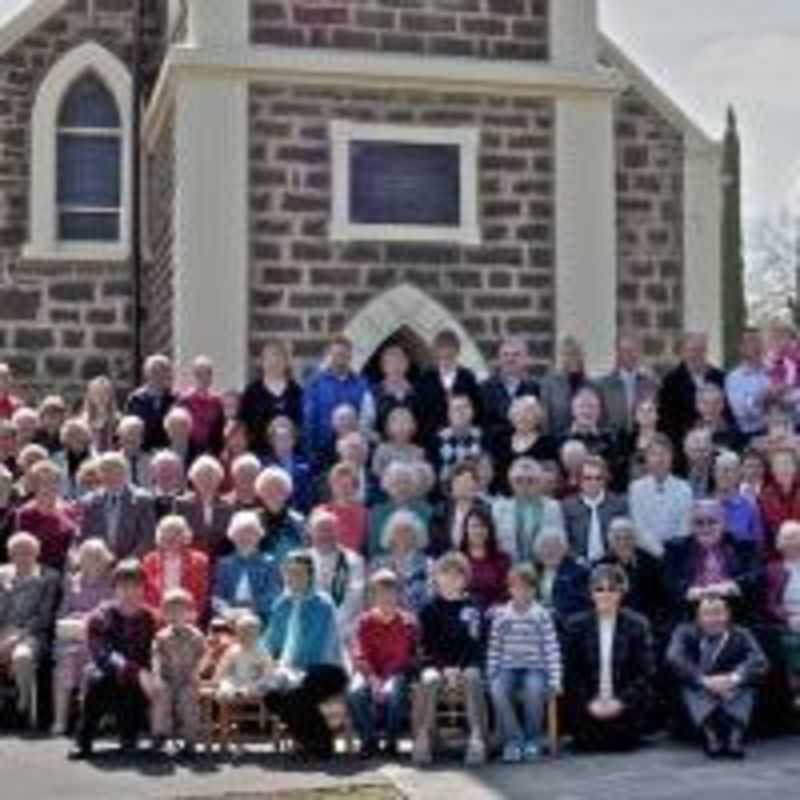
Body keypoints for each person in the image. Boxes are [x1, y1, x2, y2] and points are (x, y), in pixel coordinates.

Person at [263, 550, 349, 761]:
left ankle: (319, 746)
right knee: (271, 696)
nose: (293, 578)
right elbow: (270, 641)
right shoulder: (281, 604)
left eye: (299, 573)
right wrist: (266, 663)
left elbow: (317, 645)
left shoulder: (323, 604)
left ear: (310, 575)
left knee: (298, 693)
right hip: (290, 670)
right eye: (289, 573)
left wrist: (291, 672)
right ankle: (311, 743)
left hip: (327, 668)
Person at [70, 559, 159, 760]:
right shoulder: (99, 617)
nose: (130, 592)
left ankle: (130, 738)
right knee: (96, 679)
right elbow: (103, 654)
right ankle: (83, 740)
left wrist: (154, 673)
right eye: (124, 587)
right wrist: (136, 672)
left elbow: (157, 651)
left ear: (144, 589)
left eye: (136, 586)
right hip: (109, 672)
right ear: (115, 589)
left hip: (142, 676)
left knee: (143, 683)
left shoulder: (151, 618)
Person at [563, 564, 655, 752]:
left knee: (621, 742)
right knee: (589, 741)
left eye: (612, 589)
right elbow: (571, 674)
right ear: (591, 593)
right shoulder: (575, 625)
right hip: (587, 708)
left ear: (622, 592)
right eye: (599, 589)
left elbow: (644, 672)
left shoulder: (638, 625)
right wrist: (590, 702)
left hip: (624, 708)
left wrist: (620, 702)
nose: (605, 594)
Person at [667, 593, 768, 759]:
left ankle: (736, 735)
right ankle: (710, 734)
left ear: (728, 615)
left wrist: (734, 678)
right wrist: (704, 681)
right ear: (698, 617)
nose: (713, 619)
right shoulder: (684, 632)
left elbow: (759, 660)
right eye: (707, 614)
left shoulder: (741, 634)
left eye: (718, 613)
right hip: (700, 691)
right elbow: (675, 658)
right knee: (689, 685)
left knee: (747, 684)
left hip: (732, 692)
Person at [414, 553, 489, 767]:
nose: (450, 578)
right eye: (445, 573)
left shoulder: (473, 607)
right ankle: (424, 737)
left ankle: (477, 738)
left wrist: (459, 667)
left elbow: (474, 643)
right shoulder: (429, 608)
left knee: (473, 676)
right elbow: (426, 646)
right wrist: (444, 668)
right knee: (429, 679)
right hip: (436, 664)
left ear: (465, 579)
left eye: (457, 574)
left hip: (467, 664)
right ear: (436, 577)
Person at [487, 563, 562, 763]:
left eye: (527, 587)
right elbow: (495, 647)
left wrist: (555, 679)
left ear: (534, 590)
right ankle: (514, 740)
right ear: (510, 589)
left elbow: (551, 648)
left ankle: (532, 740)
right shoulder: (502, 616)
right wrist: (491, 672)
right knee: (497, 689)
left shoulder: (541, 615)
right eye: (516, 587)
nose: (522, 592)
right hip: (507, 667)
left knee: (534, 689)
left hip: (535, 667)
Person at [348, 569, 418, 759]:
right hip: (368, 672)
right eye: (380, 592)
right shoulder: (364, 621)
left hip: (395, 673)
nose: (386, 596)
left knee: (394, 693)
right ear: (373, 595)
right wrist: (372, 678)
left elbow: (404, 657)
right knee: (354, 693)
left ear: (398, 594)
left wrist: (385, 679)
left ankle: (391, 741)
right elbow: (359, 653)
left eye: (390, 591)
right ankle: (368, 740)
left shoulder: (408, 622)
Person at [52, 538, 114, 735]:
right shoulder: (72, 582)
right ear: (81, 559)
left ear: (105, 559)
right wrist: (72, 619)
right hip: (71, 637)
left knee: (92, 662)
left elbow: (111, 614)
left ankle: (89, 721)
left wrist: (87, 618)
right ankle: (60, 720)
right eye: (87, 556)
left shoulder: (111, 583)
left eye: (97, 557)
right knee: (66, 662)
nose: (92, 561)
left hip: (99, 639)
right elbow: (62, 612)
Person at [662, 500, 761, 622]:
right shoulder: (675, 548)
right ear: (690, 525)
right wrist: (688, 590)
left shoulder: (743, 545)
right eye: (699, 523)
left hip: (734, 612)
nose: (706, 528)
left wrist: (732, 586)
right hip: (690, 613)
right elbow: (669, 579)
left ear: (724, 523)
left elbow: (755, 574)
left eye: (712, 522)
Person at [0, 532, 59, 725]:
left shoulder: (48, 578)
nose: (23, 557)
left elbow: (44, 617)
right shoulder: (1, 575)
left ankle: (22, 706)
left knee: (22, 657)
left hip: (31, 634)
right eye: (17, 553)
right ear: (10, 555)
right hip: (3, 631)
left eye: (28, 552)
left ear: (37, 553)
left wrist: (16, 637)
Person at [303, 337, 375, 471]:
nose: (341, 358)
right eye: (337, 354)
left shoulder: (362, 384)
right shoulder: (315, 383)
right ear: (329, 355)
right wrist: (311, 452)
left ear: (350, 356)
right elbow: (309, 420)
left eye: (345, 354)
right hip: (323, 452)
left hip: (352, 452)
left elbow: (367, 418)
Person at [151, 588, 206, 757]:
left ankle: (190, 740)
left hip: (188, 678)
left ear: (189, 613)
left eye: (180, 610)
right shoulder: (161, 636)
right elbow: (156, 657)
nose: (175, 615)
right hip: (167, 678)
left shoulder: (196, 636)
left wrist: (197, 672)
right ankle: (161, 736)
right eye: (170, 611)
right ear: (164, 614)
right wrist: (158, 676)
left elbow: (203, 656)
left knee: (188, 701)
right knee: (162, 699)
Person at [79, 452, 156, 560]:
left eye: (115, 470)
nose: (110, 475)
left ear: (125, 472)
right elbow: (84, 536)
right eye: (105, 470)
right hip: (99, 563)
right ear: (99, 474)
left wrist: (128, 561)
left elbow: (147, 539)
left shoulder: (142, 500)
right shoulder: (89, 502)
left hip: (132, 564)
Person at [211, 511, 283, 626]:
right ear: (233, 537)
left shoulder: (269, 562)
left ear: (259, 536)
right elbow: (217, 595)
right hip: (230, 619)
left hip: (260, 619)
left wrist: (249, 610)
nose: (245, 537)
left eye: (250, 532)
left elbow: (273, 595)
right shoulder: (224, 563)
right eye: (240, 533)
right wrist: (227, 612)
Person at [658, 332, 726, 452]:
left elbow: (726, 412)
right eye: (692, 350)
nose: (696, 355)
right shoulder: (671, 381)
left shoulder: (719, 377)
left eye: (701, 350)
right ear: (683, 352)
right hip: (683, 446)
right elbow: (666, 419)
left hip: (718, 443)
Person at [416, 329, 482, 450]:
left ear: (457, 353)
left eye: (449, 357)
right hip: (433, 436)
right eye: (441, 357)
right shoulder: (426, 378)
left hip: (462, 436)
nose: (445, 361)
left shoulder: (467, 376)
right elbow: (421, 410)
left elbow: (476, 406)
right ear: (435, 354)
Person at [628, 435, 693, 557]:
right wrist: (660, 552)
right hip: (645, 553)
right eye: (654, 454)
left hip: (677, 552)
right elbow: (639, 526)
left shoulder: (684, 489)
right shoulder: (636, 489)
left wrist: (671, 551)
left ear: (671, 457)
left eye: (664, 454)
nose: (659, 459)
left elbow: (684, 527)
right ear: (647, 459)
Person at [307, 508, 365, 644]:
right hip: (309, 628)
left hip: (344, 630)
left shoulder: (353, 561)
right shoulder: (301, 560)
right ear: (311, 532)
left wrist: (333, 627)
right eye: (320, 529)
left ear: (338, 531)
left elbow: (354, 598)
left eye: (330, 529)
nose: (325, 534)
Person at [492, 457, 565, 563]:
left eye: (530, 480)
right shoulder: (499, 508)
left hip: (543, 566)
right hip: (509, 569)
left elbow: (561, 541)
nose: (524, 485)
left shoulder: (552, 507)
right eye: (519, 480)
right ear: (511, 482)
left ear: (539, 482)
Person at [595, 518, 666, 626]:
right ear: (610, 542)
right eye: (617, 539)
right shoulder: (600, 565)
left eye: (628, 538)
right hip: (616, 622)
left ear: (635, 540)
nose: (623, 543)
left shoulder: (650, 562)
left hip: (649, 621)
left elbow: (662, 598)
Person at [239, 339, 303, 457]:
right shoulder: (251, 392)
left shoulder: (297, 391)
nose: (274, 361)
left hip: (291, 457)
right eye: (269, 357)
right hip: (259, 455)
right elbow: (244, 426)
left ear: (286, 362)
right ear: (261, 362)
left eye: (279, 357)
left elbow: (303, 425)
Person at [14, 459, 78, 573]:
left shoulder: (70, 509)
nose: (48, 485)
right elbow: (23, 549)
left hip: (66, 572)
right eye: (42, 481)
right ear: (35, 485)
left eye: (52, 480)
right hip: (38, 574)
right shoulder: (25, 513)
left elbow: (75, 542)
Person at [562, 456, 629, 563]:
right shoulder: (567, 506)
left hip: (612, 562)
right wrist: (577, 559)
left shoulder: (618, 504)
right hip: (578, 562)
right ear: (579, 480)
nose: (593, 482)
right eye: (588, 478)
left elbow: (624, 539)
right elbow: (564, 540)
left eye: (598, 478)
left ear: (605, 480)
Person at [142, 515, 210, 617]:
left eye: (176, 533)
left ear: (185, 536)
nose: (170, 537)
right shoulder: (149, 560)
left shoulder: (199, 560)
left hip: (188, 616)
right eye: (166, 532)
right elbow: (145, 593)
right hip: (157, 616)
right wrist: (155, 613)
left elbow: (202, 595)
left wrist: (190, 615)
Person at [491, 395, 558, 495]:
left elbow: (550, 475)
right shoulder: (500, 440)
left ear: (537, 417)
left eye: (528, 412)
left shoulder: (548, 443)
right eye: (519, 412)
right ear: (512, 416)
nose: (523, 417)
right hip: (504, 496)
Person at [765, 521, 800, 707]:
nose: (793, 541)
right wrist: (789, 618)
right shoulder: (772, 570)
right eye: (788, 537)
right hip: (788, 622)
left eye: (796, 536)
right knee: (790, 642)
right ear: (779, 543)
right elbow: (770, 603)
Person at [370, 510, 431, 615]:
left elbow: (430, 599)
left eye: (407, 530)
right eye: (397, 531)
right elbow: (371, 597)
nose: (402, 535)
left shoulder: (429, 564)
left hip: (417, 622)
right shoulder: (377, 563)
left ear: (417, 535)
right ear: (390, 535)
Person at [175, 454, 233, 564]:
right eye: (201, 476)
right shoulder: (181, 504)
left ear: (219, 479)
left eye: (211, 476)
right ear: (194, 479)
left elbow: (228, 539)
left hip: (219, 559)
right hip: (190, 560)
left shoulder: (227, 506)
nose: (206, 480)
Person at [480, 337, 540, 444]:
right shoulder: (484, 388)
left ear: (526, 359)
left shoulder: (535, 388)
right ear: (499, 359)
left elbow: (538, 424)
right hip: (494, 448)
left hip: (526, 447)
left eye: (516, 354)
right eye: (505, 354)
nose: (510, 359)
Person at [368, 461, 433, 558]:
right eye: (396, 483)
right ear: (387, 486)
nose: (402, 487)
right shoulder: (378, 512)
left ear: (414, 485)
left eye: (406, 482)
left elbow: (429, 547)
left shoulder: (426, 511)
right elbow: (373, 548)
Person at [598, 335, 659, 435]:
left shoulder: (650, 384)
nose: (631, 355)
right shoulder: (605, 385)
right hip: (615, 440)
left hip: (642, 439)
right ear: (618, 354)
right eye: (626, 351)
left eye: (635, 350)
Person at [533, 529, 591, 624]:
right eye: (545, 546)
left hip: (566, 626)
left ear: (564, 550)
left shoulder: (578, 572)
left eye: (555, 547)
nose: (550, 551)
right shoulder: (531, 571)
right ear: (538, 551)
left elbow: (582, 605)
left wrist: (555, 613)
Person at [459, 505, 511, 613]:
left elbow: (508, 591)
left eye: (483, 526)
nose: (478, 531)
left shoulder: (503, 559)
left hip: (496, 614)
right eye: (474, 526)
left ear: (489, 530)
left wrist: (497, 608)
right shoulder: (457, 558)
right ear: (466, 529)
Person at [725, 327, 772, 441]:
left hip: (780, 432)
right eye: (751, 341)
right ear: (741, 348)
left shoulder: (776, 371)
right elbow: (741, 412)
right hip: (751, 434)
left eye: (760, 341)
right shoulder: (734, 378)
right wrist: (763, 397)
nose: (756, 345)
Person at [214, 611, 274, 701]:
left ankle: (242, 693)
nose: (244, 635)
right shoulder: (233, 650)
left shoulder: (262, 652)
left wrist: (260, 680)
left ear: (257, 634)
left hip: (253, 682)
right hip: (236, 681)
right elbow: (223, 668)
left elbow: (267, 674)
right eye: (241, 632)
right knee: (226, 686)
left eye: (248, 632)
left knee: (259, 686)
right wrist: (218, 678)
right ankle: (232, 694)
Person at [539, 336, 592, 438]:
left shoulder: (592, 385)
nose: (572, 358)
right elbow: (545, 419)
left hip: (586, 441)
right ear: (561, 356)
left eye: (576, 353)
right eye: (568, 354)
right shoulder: (549, 383)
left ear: (583, 355)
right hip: (557, 440)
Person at [176, 355, 226, 457]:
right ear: (193, 376)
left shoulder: (217, 402)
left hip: (212, 452)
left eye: (207, 374)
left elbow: (221, 429)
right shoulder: (184, 401)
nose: (204, 378)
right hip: (189, 453)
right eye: (199, 374)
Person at [255, 466, 305, 566]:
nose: (273, 493)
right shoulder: (252, 520)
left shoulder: (298, 520)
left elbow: (304, 551)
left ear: (287, 492)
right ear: (260, 492)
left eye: (278, 488)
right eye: (268, 488)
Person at [125, 355, 176, 452]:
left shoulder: (174, 399)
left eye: (163, 371)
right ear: (146, 374)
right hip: (142, 452)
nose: (158, 375)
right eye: (154, 371)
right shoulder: (136, 399)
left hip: (167, 452)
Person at [713, 451, 764, 549]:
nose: (724, 474)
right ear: (714, 473)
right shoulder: (704, 505)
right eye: (719, 470)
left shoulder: (750, 507)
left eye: (729, 470)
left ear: (738, 473)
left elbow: (758, 546)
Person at [371, 343, 421, 440]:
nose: (395, 366)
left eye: (399, 361)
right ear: (383, 367)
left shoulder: (417, 392)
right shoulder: (373, 393)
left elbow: (423, 422)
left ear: (407, 364)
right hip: (382, 446)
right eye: (390, 362)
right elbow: (367, 424)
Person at [264, 417, 313, 513]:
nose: (283, 443)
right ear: (272, 442)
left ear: (293, 440)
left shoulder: (306, 463)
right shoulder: (266, 467)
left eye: (287, 438)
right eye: (279, 439)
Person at [432, 394, 485, 482]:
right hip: (447, 490)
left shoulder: (483, 437)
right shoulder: (438, 440)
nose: (461, 412)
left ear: (473, 411)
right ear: (448, 414)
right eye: (456, 409)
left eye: (465, 407)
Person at [320, 462, 369, 555]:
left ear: (355, 488)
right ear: (331, 486)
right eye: (338, 484)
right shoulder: (321, 512)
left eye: (347, 485)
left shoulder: (365, 514)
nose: (342, 489)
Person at [759, 447, 800, 557]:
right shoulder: (765, 496)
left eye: (787, 463)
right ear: (772, 470)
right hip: (778, 552)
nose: (783, 469)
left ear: (795, 467)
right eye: (778, 465)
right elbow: (767, 531)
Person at [371, 406, 426, 482]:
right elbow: (376, 472)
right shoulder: (382, 449)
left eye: (405, 422)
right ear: (389, 427)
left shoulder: (419, 452)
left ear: (412, 427)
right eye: (396, 423)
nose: (401, 427)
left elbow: (420, 476)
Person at [53, 418, 93, 500]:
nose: (76, 437)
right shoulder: (55, 460)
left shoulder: (97, 460)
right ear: (65, 438)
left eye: (80, 433)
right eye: (71, 434)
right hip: (64, 505)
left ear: (87, 436)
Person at [79, 375, 119, 454]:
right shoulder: (82, 421)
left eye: (105, 392)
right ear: (90, 395)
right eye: (97, 392)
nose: (101, 396)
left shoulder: (118, 420)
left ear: (110, 396)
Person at [116, 415, 152, 489]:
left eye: (135, 434)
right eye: (128, 433)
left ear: (142, 438)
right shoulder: (112, 463)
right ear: (120, 437)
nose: (131, 437)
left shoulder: (152, 462)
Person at [683, 428, 716, 499]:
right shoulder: (678, 474)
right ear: (687, 451)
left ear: (711, 450)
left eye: (705, 450)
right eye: (696, 450)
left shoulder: (718, 474)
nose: (701, 455)